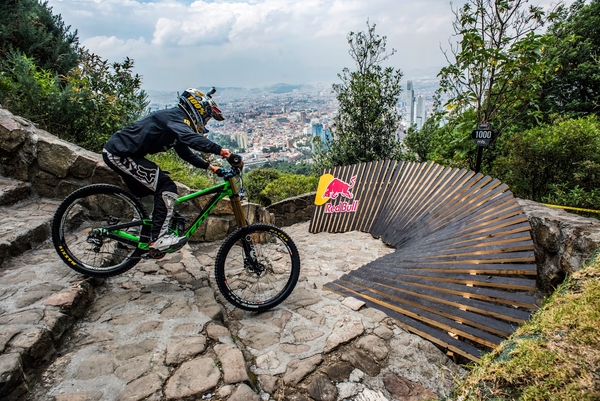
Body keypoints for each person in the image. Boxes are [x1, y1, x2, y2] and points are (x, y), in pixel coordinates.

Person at [102, 88, 233, 254]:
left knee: (149, 196)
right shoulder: (176, 118)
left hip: (122, 153)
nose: (205, 122)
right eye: (206, 117)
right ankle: (158, 239)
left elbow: (185, 153)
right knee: (166, 187)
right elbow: (190, 139)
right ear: (198, 108)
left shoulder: (176, 120)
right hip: (121, 153)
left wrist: (212, 168)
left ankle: (131, 236)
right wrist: (223, 152)